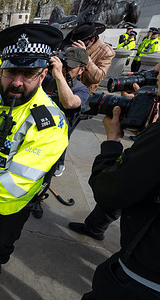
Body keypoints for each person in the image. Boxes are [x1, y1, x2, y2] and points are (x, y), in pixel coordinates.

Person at [0, 24, 69, 296]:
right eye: (10, 72)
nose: (17, 82)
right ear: (1, 69)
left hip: (10, 206)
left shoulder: (49, 122)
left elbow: (19, 179)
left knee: (2, 243)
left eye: (28, 73)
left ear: (43, 75)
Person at [81, 62, 160, 299]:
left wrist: (112, 142)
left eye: (158, 71)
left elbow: (109, 190)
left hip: (143, 279)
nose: (155, 72)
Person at [29, 47, 90, 218]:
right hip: (33, 133)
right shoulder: (47, 79)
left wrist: (59, 76)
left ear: (82, 69)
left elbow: (70, 103)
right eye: (62, 65)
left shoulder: (81, 90)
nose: (63, 69)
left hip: (54, 143)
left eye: (69, 67)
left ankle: (36, 200)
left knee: (45, 176)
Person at [66, 22, 115, 92]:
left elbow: (97, 78)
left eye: (80, 42)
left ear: (92, 40)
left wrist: (85, 56)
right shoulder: (72, 45)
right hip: (66, 88)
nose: (77, 45)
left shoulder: (106, 51)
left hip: (86, 92)